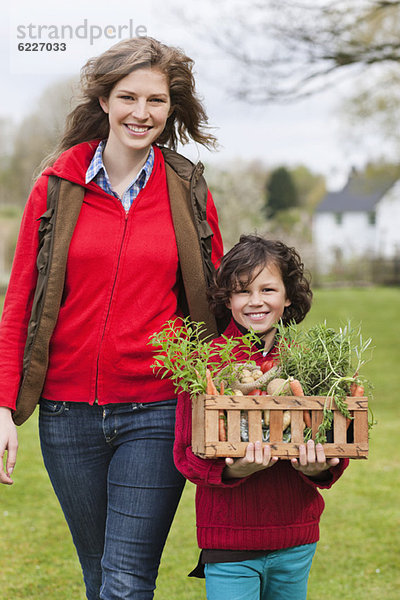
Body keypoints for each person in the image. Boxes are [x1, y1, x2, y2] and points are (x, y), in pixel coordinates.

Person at [0, 37, 223, 600]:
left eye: (157, 100)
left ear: (172, 108)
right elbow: (20, 301)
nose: (141, 113)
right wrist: (3, 407)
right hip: (65, 416)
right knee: (100, 574)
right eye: (128, 97)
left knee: (125, 580)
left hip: (157, 408)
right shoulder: (56, 184)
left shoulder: (188, 188)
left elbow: (217, 300)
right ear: (104, 100)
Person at [174, 234, 349, 600]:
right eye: (242, 291)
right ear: (227, 300)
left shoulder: (310, 362)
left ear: (288, 296)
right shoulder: (207, 364)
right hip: (230, 539)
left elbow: (336, 446)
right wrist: (236, 469)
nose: (255, 301)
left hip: (295, 536)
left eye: (268, 289)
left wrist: (316, 467)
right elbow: (186, 455)